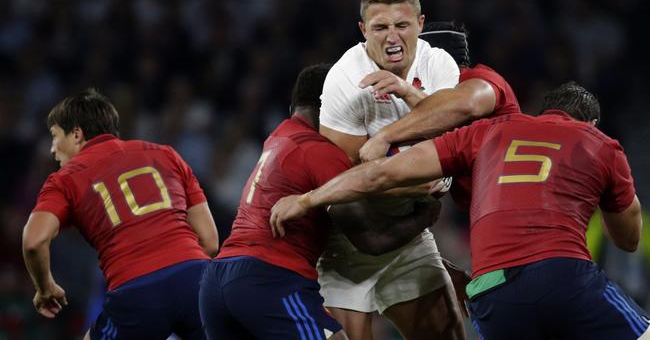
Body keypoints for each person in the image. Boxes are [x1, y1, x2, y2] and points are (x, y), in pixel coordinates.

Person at [270, 82, 650, 340]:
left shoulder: (488, 131)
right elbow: (628, 239)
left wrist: (307, 200)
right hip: (562, 274)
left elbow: (380, 175)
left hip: (490, 292)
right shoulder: (600, 144)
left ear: (543, 112)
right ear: (592, 124)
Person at [198, 64, 441, 340]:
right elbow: (372, 239)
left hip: (217, 280)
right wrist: (424, 216)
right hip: (268, 278)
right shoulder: (320, 151)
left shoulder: (278, 139)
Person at [318, 0, 464, 339]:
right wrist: (417, 184)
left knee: (447, 334)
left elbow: (455, 137)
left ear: (420, 24)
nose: (391, 36)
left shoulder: (438, 64)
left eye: (401, 25)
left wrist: (406, 92)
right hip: (347, 241)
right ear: (363, 29)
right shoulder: (345, 79)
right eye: (380, 27)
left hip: (409, 237)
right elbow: (341, 181)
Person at [22, 89, 219, 340]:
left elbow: (33, 241)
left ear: (76, 134)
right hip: (198, 279)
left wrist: (45, 287)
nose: (52, 149)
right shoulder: (166, 154)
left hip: (137, 291)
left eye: (54, 136)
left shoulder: (64, 180)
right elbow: (210, 242)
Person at [360, 21, 521, 211]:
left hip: (517, 202)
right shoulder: (420, 107)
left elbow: (465, 106)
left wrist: (385, 135)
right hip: (486, 213)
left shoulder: (477, 78)